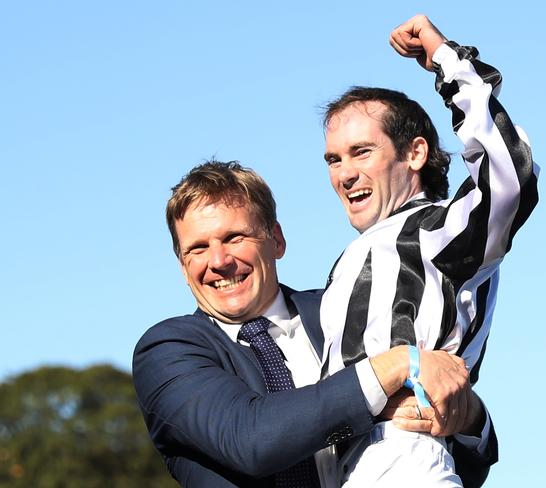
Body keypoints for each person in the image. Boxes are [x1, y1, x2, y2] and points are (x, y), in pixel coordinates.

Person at [132, 160, 498, 487]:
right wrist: (390, 368)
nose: (218, 260)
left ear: (276, 240)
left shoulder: (342, 311)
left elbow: (447, 459)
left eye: (234, 237)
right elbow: (252, 440)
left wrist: (466, 418)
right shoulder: (167, 353)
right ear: (182, 266)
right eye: (197, 249)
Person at [320, 14, 539, 487]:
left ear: (415, 153)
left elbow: (509, 178)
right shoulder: (353, 258)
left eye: (362, 152)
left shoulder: (435, 230)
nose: (344, 174)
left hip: (405, 461)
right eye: (334, 159)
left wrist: (447, 61)